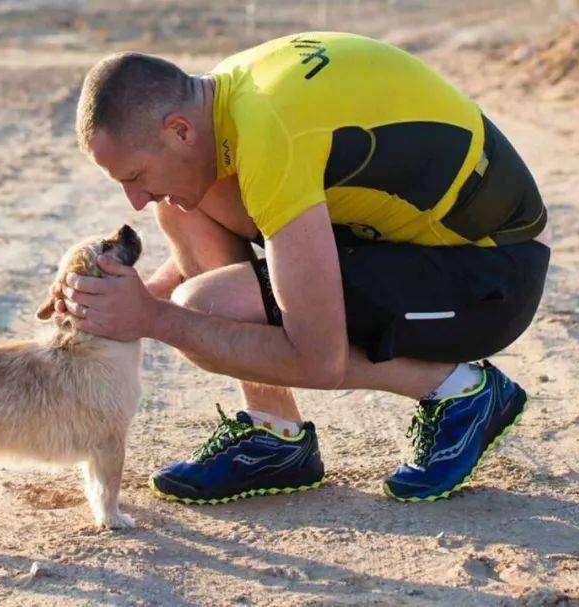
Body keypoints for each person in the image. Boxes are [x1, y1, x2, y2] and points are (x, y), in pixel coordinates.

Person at [53, 32, 550, 503]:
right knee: (182, 205)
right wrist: (129, 298)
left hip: (493, 273)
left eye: (135, 175)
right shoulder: (228, 96)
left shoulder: (273, 134)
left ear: (178, 129)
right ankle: (275, 435)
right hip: (416, 239)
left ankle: (461, 391)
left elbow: (318, 360)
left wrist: (154, 319)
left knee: (205, 309)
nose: (134, 201)